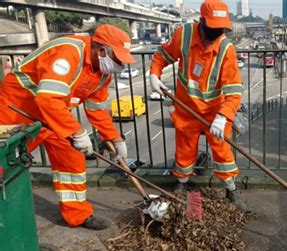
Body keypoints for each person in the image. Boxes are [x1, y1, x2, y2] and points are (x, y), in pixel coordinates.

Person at [0, 24, 134, 230]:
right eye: (116, 58)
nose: (118, 65)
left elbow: (97, 110)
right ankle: (6, 218)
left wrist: (116, 140)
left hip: (53, 116)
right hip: (17, 110)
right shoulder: (69, 52)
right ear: (102, 50)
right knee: (7, 162)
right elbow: (48, 98)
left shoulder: (102, 72)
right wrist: (78, 132)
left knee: (71, 158)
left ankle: (77, 215)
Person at [149, 0, 247, 210]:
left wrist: (223, 117)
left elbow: (233, 90)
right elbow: (162, 56)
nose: (216, 33)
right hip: (186, 109)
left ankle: (231, 189)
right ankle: (182, 183)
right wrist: (154, 75)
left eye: (220, 29)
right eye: (212, 28)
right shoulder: (183, 35)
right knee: (184, 150)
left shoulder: (225, 48)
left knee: (223, 152)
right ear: (200, 21)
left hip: (214, 112)